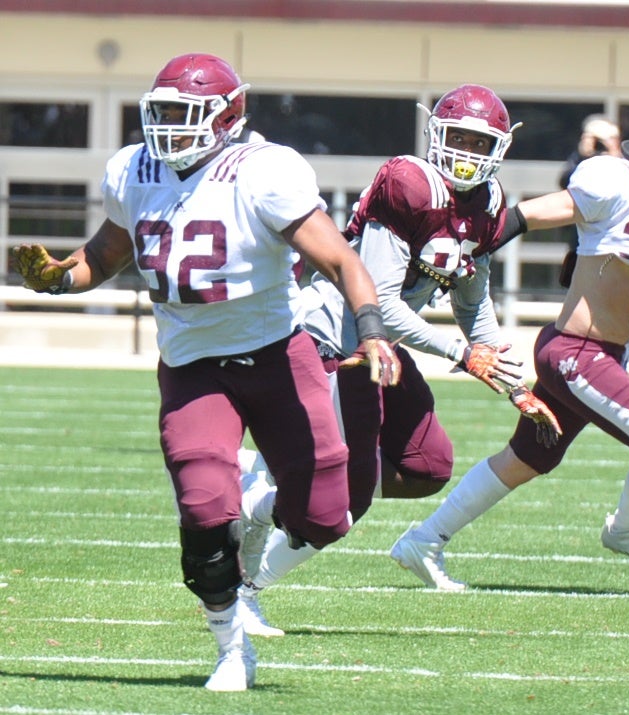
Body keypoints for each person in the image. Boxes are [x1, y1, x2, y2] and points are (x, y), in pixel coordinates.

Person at [11, 53, 401, 691]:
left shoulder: (263, 172)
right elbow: (107, 255)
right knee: (200, 509)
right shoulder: (135, 169)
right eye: (160, 111)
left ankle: (251, 511)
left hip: (279, 353)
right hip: (193, 364)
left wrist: (373, 330)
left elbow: (341, 260)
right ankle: (231, 646)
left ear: (229, 115)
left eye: (183, 114)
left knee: (328, 513)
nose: (168, 127)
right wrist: (59, 279)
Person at [390, 94, 629, 589]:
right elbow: (533, 214)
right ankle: (627, 530)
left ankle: (424, 540)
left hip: (604, 355)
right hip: (576, 353)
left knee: (528, 458)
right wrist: (463, 239)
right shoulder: (615, 180)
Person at [235, 84, 562, 632]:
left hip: (382, 349)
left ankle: (278, 479)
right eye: (456, 138)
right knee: (345, 503)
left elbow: (471, 297)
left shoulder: (487, 205)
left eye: (479, 143)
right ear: (435, 135)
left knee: (425, 465)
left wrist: (512, 381)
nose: (465, 153)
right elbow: (380, 303)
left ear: (500, 149)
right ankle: (247, 584)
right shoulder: (410, 184)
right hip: (336, 341)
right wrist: (461, 354)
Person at [557, 113, 621, 190]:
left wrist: (614, 156)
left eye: (611, 138)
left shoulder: (626, 160)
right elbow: (565, 183)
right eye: (596, 139)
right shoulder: (579, 159)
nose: (600, 144)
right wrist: (584, 156)